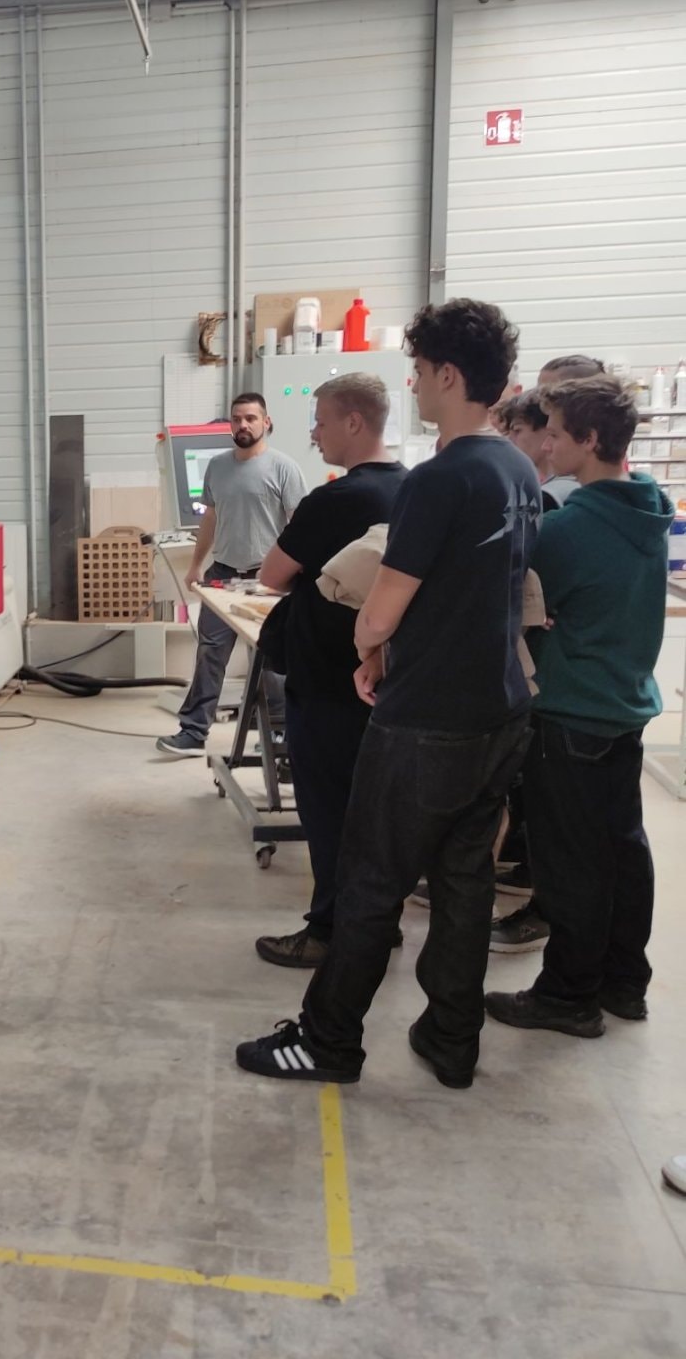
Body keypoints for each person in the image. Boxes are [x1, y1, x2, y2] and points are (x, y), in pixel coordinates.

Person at [235, 298, 540, 1089]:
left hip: (427, 719)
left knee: (369, 880)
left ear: (448, 375)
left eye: (419, 371)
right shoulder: (514, 468)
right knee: (463, 879)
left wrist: (369, 649)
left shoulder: (442, 478)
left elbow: (379, 607)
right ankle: (450, 1037)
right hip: (499, 710)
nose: (413, 385)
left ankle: (327, 1040)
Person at [485, 377, 670, 1038]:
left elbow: (515, 602)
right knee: (622, 851)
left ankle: (567, 995)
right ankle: (623, 982)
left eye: (557, 434)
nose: (546, 445)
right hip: (622, 706)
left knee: (570, 865)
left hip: (570, 714)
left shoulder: (572, 529)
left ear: (590, 440)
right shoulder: (647, 508)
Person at [252, 375, 408, 967]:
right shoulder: (414, 491)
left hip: (328, 680)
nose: (314, 433)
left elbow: (271, 575)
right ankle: (376, 924)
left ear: (354, 422)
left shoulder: (336, 499)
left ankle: (330, 932)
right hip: (389, 676)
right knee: (377, 814)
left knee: (328, 812)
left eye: (319, 420)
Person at [487, 352, 606, 944]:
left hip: (565, 686)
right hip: (569, 686)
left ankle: (549, 913)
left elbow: (537, 590)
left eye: (547, 419)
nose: (541, 428)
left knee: (565, 817)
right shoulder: (560, 494)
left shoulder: (563, 506)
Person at [157, 394, 306, 757]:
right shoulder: (217, 467)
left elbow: (299, 526)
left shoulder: (284, 468)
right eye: (237, 418)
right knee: (210, 653)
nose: (243, 425)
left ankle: (280, 735)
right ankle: (193, 732)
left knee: (272, 658)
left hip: (268, 579)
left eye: (251, 418)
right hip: (222, 575)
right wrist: (196, 565)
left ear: (266, 422)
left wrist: (297, 575)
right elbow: (210, 518)